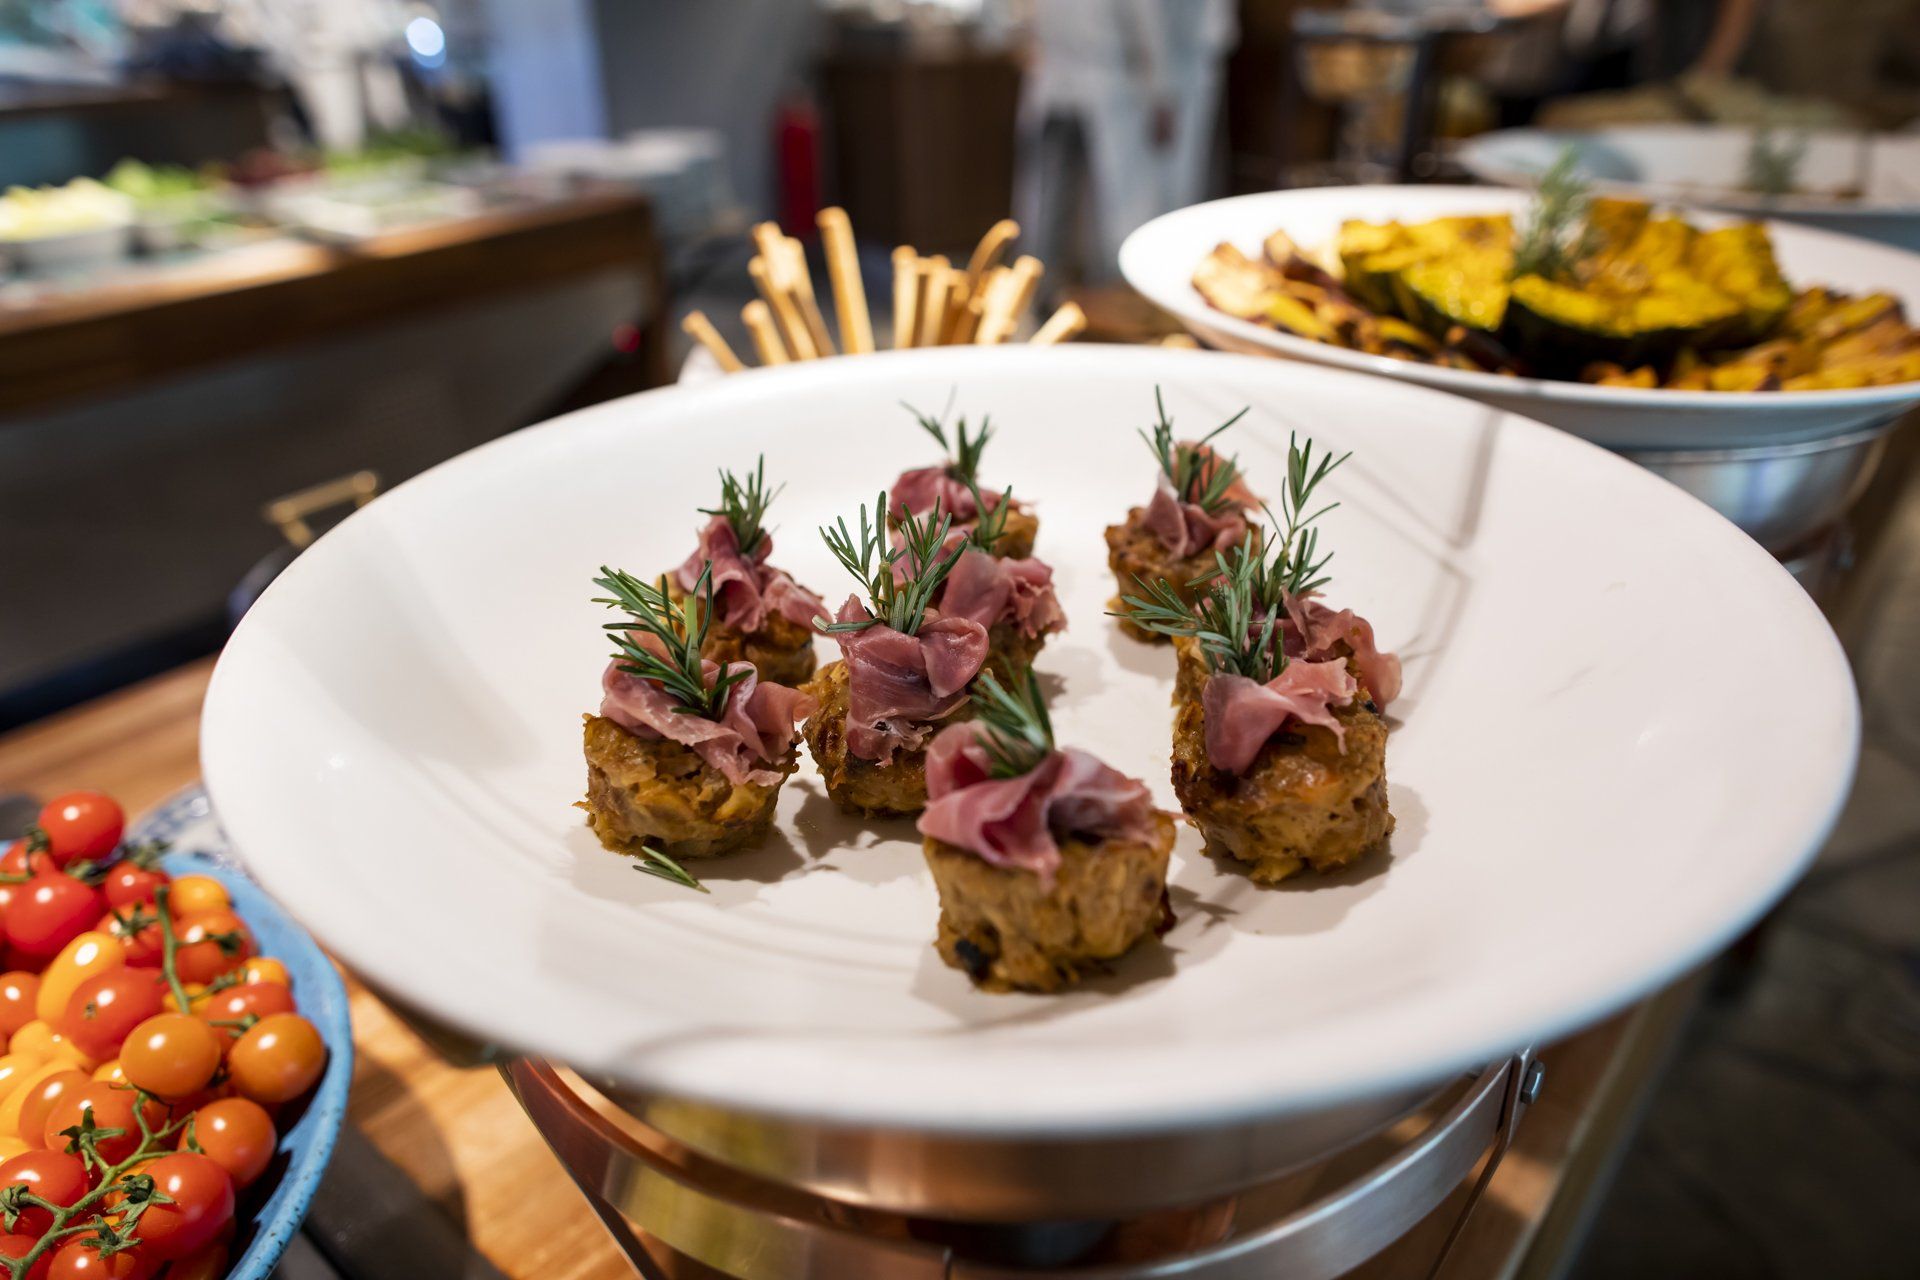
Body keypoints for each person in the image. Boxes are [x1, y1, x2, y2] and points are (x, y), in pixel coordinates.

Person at [1016, 0, 1237, 283]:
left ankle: (1045, 284)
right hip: (1107, 79)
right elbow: (1144, 14)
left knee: (1057, 200)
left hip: (1057, 76)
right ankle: (1097, 287)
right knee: (1111, 208)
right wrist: (1162, 89)